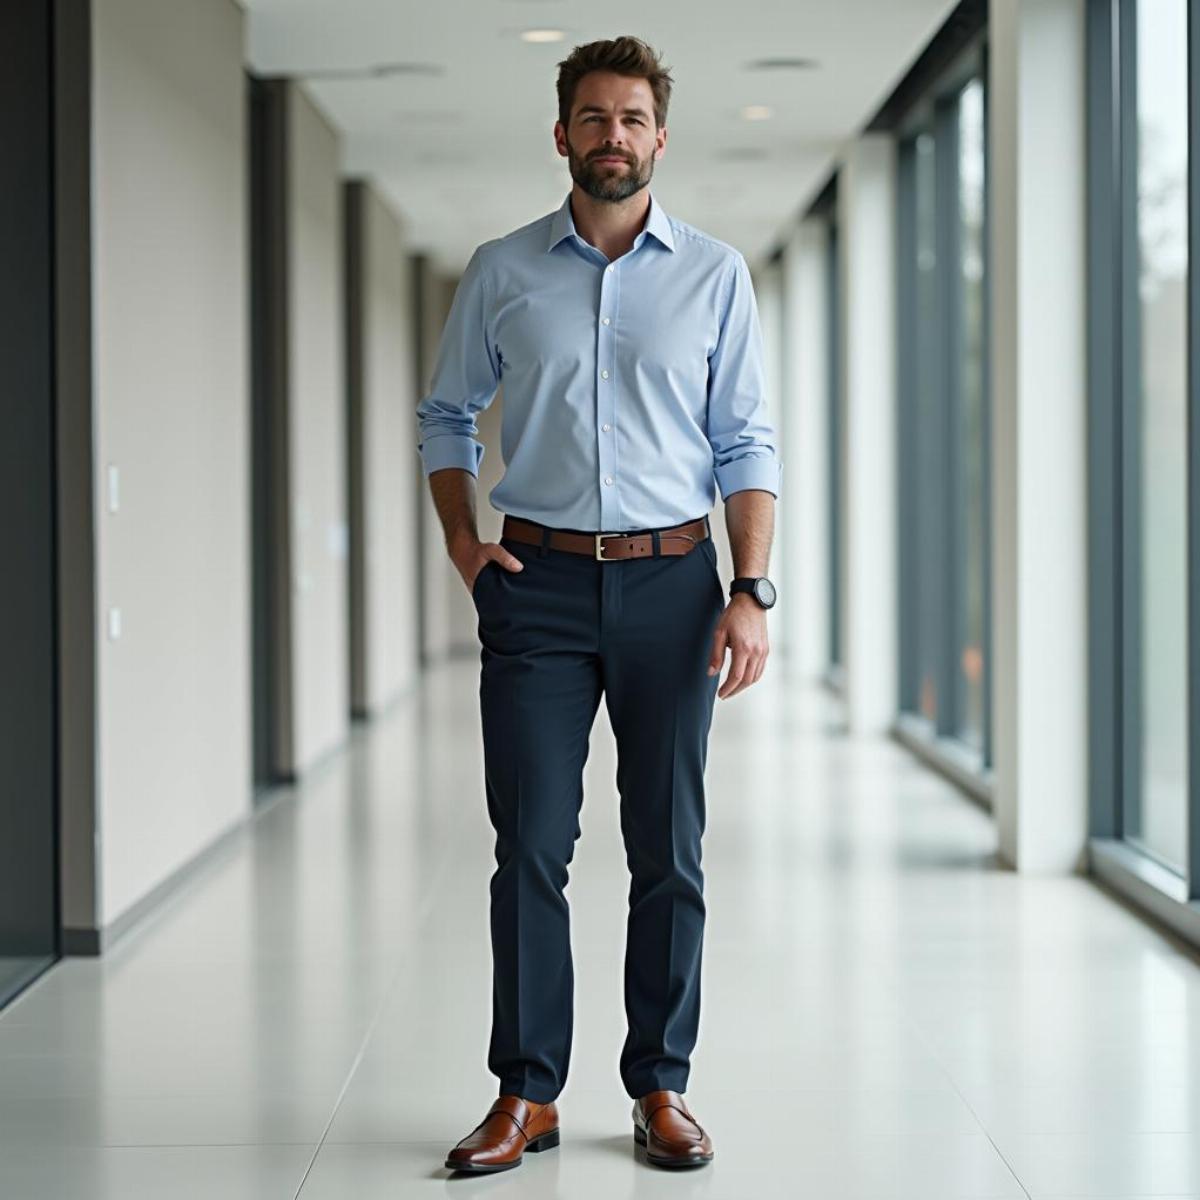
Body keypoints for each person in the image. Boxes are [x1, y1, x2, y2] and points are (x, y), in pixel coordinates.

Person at [416, 34, 781, 1175]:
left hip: (677, 585)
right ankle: (526, 1094)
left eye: (632, 119)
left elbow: (745, 442)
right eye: (593, 117)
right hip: (541, 585)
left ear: (659, 138)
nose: (611, 136)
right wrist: (468, 547)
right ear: (562, 132)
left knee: (668, 848)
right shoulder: (502, 270)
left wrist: (749, 589)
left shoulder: (716, 275)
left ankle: (660, 1086)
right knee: (530, 845)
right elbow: (446, 417)